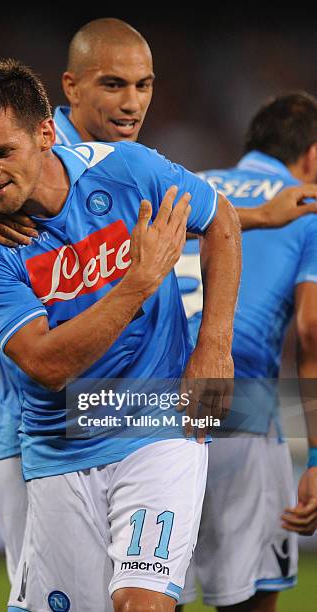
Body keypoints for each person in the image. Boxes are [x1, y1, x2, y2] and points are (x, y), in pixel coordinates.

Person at [0, 21, 317, 595]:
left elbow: (206, 217)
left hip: (148, 408)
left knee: (150, 592)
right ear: (70, 91)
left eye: (143, 85)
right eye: (113, 85)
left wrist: (213, 347)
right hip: (42, 425)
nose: (131, 102)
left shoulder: (131, 165)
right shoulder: (14, 155)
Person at [0, 56, 241, 611]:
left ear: (45, 134)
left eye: (2, 152)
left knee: (142, 602)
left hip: (159, 422)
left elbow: (221, 219)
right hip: (59, 445)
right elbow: (48, 364)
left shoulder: (127, 170)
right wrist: (138, 283)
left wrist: (214, 345)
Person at [176, 92, 317, 612]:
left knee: (148, 594)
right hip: (242, 413)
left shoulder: (186, 186)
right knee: (246, 602)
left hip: (148, 413)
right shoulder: (307, 203)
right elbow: (312, 330)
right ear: (314, 156)